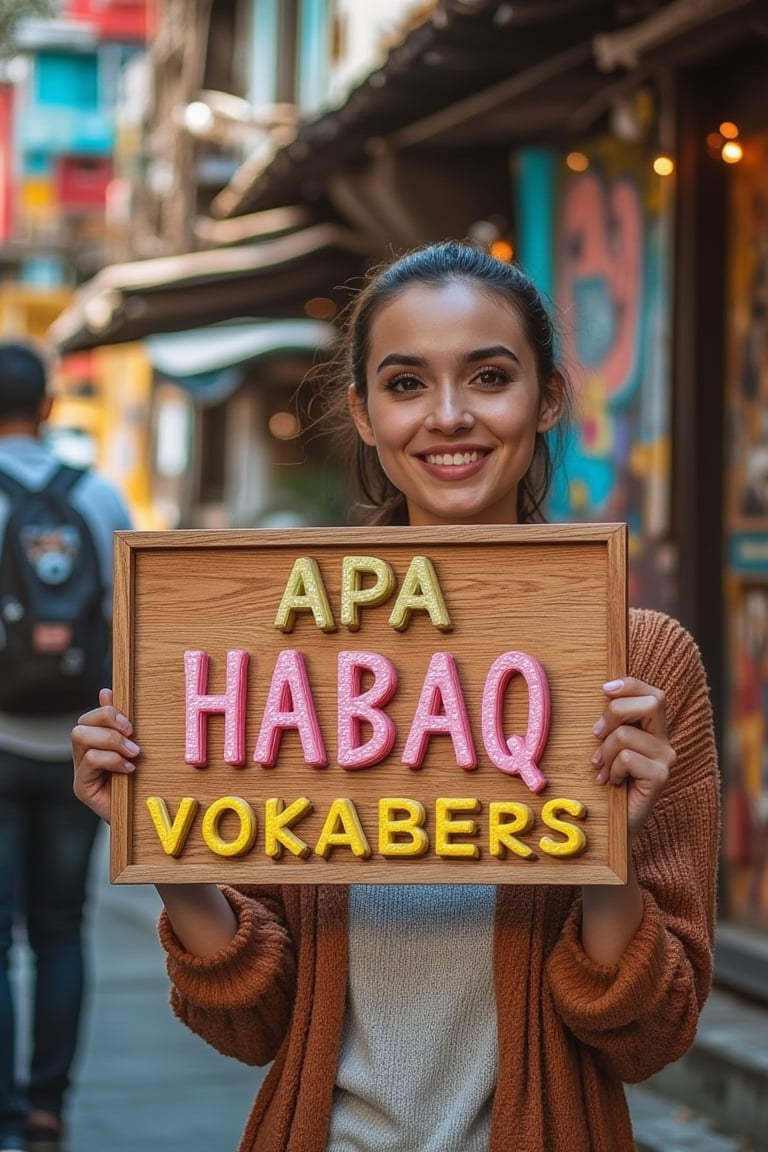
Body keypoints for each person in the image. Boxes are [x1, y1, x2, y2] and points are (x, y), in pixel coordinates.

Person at [72, 241, 720, 1152]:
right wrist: (162, 840)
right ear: (364, 414)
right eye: (406, 384)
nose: (448, 417)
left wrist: (605, 843)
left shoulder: (643, 664)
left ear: (547, 400)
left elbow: (653, 1036)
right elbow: (250, 1026)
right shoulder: (286, 647)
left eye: (489, 376)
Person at [0, 340, 132, 1152]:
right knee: (62, 927)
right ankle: (48, 1107)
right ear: (48, 406)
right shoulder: (101, 495)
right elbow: (135, 623)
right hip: (81, 747)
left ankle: (5, 1119)